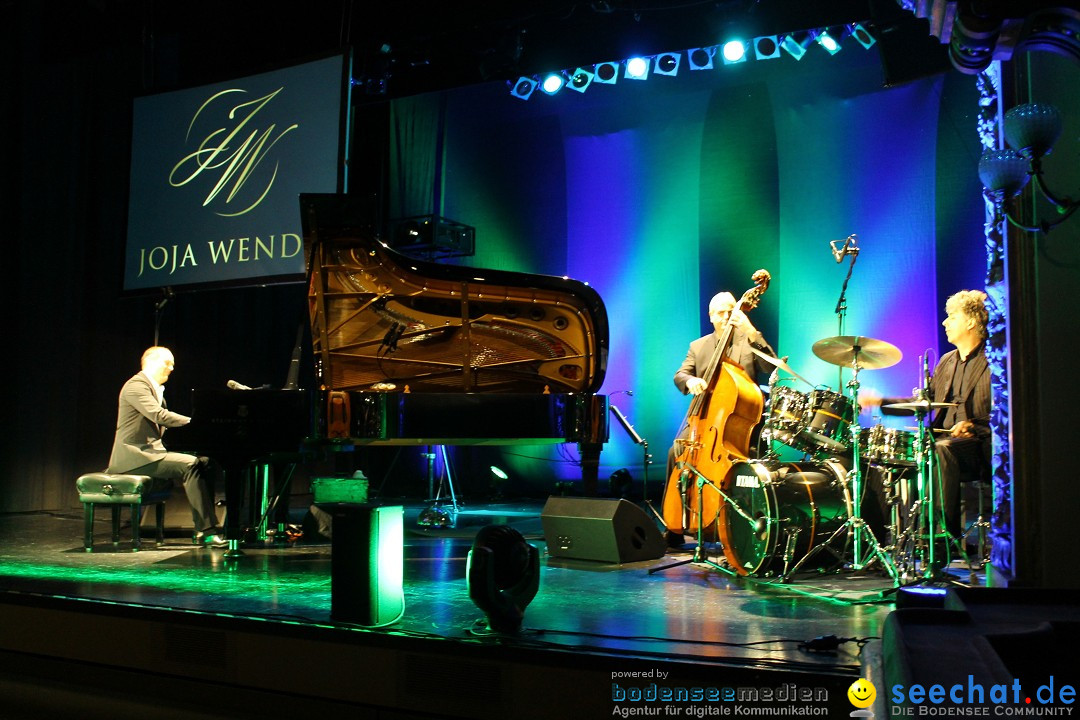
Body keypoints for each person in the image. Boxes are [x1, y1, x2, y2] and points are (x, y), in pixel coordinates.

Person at [863, 290, 991, 541]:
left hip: (980, 448)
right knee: (881, 453)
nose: (945, 322)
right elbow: (922, 402)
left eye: (952, 317)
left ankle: (942, 538)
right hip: (942, 443)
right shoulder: (946, 361)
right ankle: (880, 540)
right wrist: (881, 402)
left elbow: (1006, 412)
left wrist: (974, 426)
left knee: (942, 449)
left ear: (971, 322)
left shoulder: (994, 359)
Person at [665, 292, 776, 545]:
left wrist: (750, 329)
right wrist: (691, 381)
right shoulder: (698, 346)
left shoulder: (748, 340)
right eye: (721, 312)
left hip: (739, 424)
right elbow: (680, 375)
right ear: (711, 316)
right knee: (676, 451)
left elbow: (771, 367)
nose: (726, 316)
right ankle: (675, 527)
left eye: (730, 311)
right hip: (705, 422)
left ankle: (734, 529)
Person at [106, 346, 226, 547]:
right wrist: (197, 422)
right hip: (134, 457)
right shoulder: (136, 386)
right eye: (167, 362)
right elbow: (159, 416)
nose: (171, 368)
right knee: (191, 464)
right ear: (151, 361)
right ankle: (206, 531)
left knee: (206, 462)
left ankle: (204, 527)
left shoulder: (154, 390)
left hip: (150, 453)